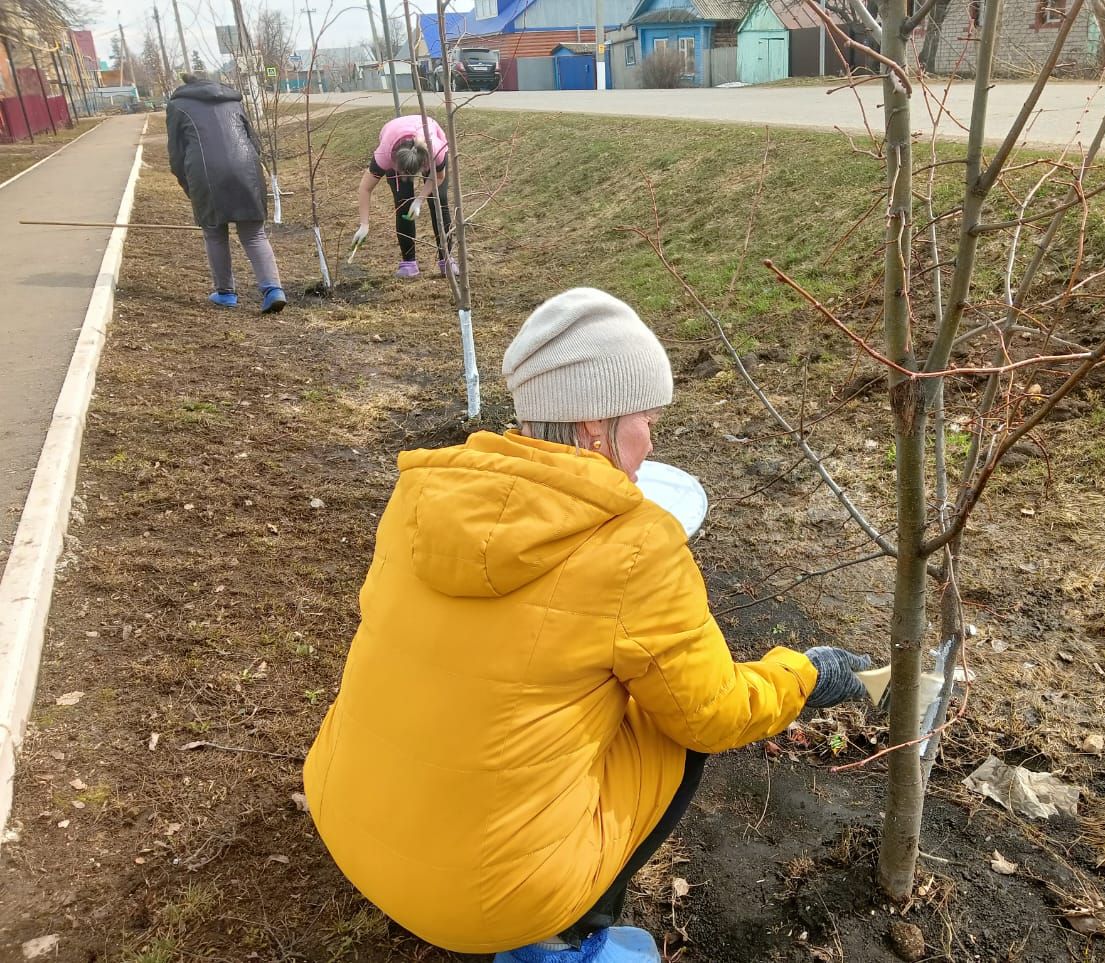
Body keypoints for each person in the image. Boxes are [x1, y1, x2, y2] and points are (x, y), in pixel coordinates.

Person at [303, 289, 871, 962]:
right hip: (488, 901)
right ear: (596, 427)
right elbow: (712, 713)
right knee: (671, 725)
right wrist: (806, 673)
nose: (652, 441)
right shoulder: (636, 547)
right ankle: (565, 939)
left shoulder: (423, 497)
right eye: (647, 420)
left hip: (347, 816)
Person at [165, 72, 286, 314]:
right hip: (246, 169)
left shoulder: (177, 105)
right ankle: (273, 290)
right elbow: (254, 142)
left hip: (204, 173)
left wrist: (189, 185)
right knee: (254, 234)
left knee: (214, 233)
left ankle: (225, 293)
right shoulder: (233, 101)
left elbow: (176, 155)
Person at [351, 113, 456, 279]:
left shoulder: (435, 150)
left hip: (428, 138)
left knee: (439, 201)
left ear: (424, 165)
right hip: (394, 134)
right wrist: (364, 224)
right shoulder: (384, 155)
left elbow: (440, 176)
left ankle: (447, 260)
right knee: (403, 201)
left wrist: (420, 199)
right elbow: (365, 188)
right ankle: (409, 264)